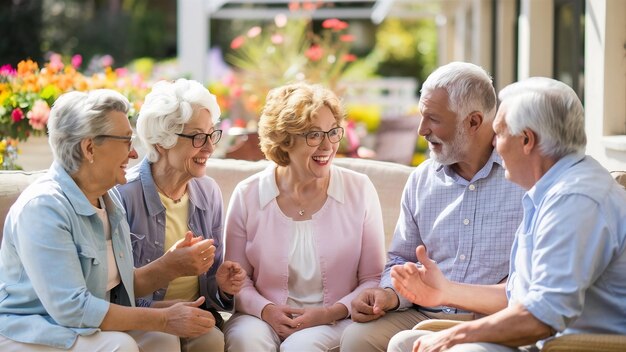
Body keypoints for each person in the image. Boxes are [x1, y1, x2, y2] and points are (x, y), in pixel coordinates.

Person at [388, 77, 626, 352]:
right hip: (542, 340)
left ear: (527, 140)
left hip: (577, 346)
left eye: (499, 133)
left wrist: (455, 336)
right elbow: (522, 295)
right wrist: (445, 291)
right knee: (405, 344)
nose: (494, 144)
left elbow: (542, 316)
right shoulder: (552, 190)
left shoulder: (575, 199)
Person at [0, 89, 217, 351]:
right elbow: (73, 309)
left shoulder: (109, 201)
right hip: (34, 329)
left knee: (164, 339)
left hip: (85, 326)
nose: (135, 153)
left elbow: (121, 286)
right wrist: (162, 318)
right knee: (121, 345)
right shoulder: (43, 208)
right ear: (90, 147)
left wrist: (169, 272)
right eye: (126, 141)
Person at [340, 62, 525, 352]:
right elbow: (400, 258)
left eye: (433, 119)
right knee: (356, 339)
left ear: (474, 122)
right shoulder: (422, 179)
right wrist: (389, 293)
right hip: (423, 314)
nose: (421, 129)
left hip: (493, 319)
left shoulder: (522, 177)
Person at [222, 82, 386, 351]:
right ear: (285, 140)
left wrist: (329, 313)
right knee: (245, 340)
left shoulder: (360, 189)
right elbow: (237, 281)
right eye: (313, 135)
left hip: (335, 319)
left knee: (300, 347)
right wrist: (267, 311)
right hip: (262, 316)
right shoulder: (248, 194)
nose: (328, 145)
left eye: (333, 132)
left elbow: (373, 278)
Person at [116, 79, 246, 352]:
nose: (210, 148)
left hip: (195, 315)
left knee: (212, 340)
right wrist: (164, 311)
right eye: (199, 137)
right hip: (144, 318)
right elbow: (114, 290)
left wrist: (222, 286)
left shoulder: (208, 192)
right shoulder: (122, 194)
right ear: (163, 141)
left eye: (212, 134)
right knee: (164, 340)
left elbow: (210, 283)